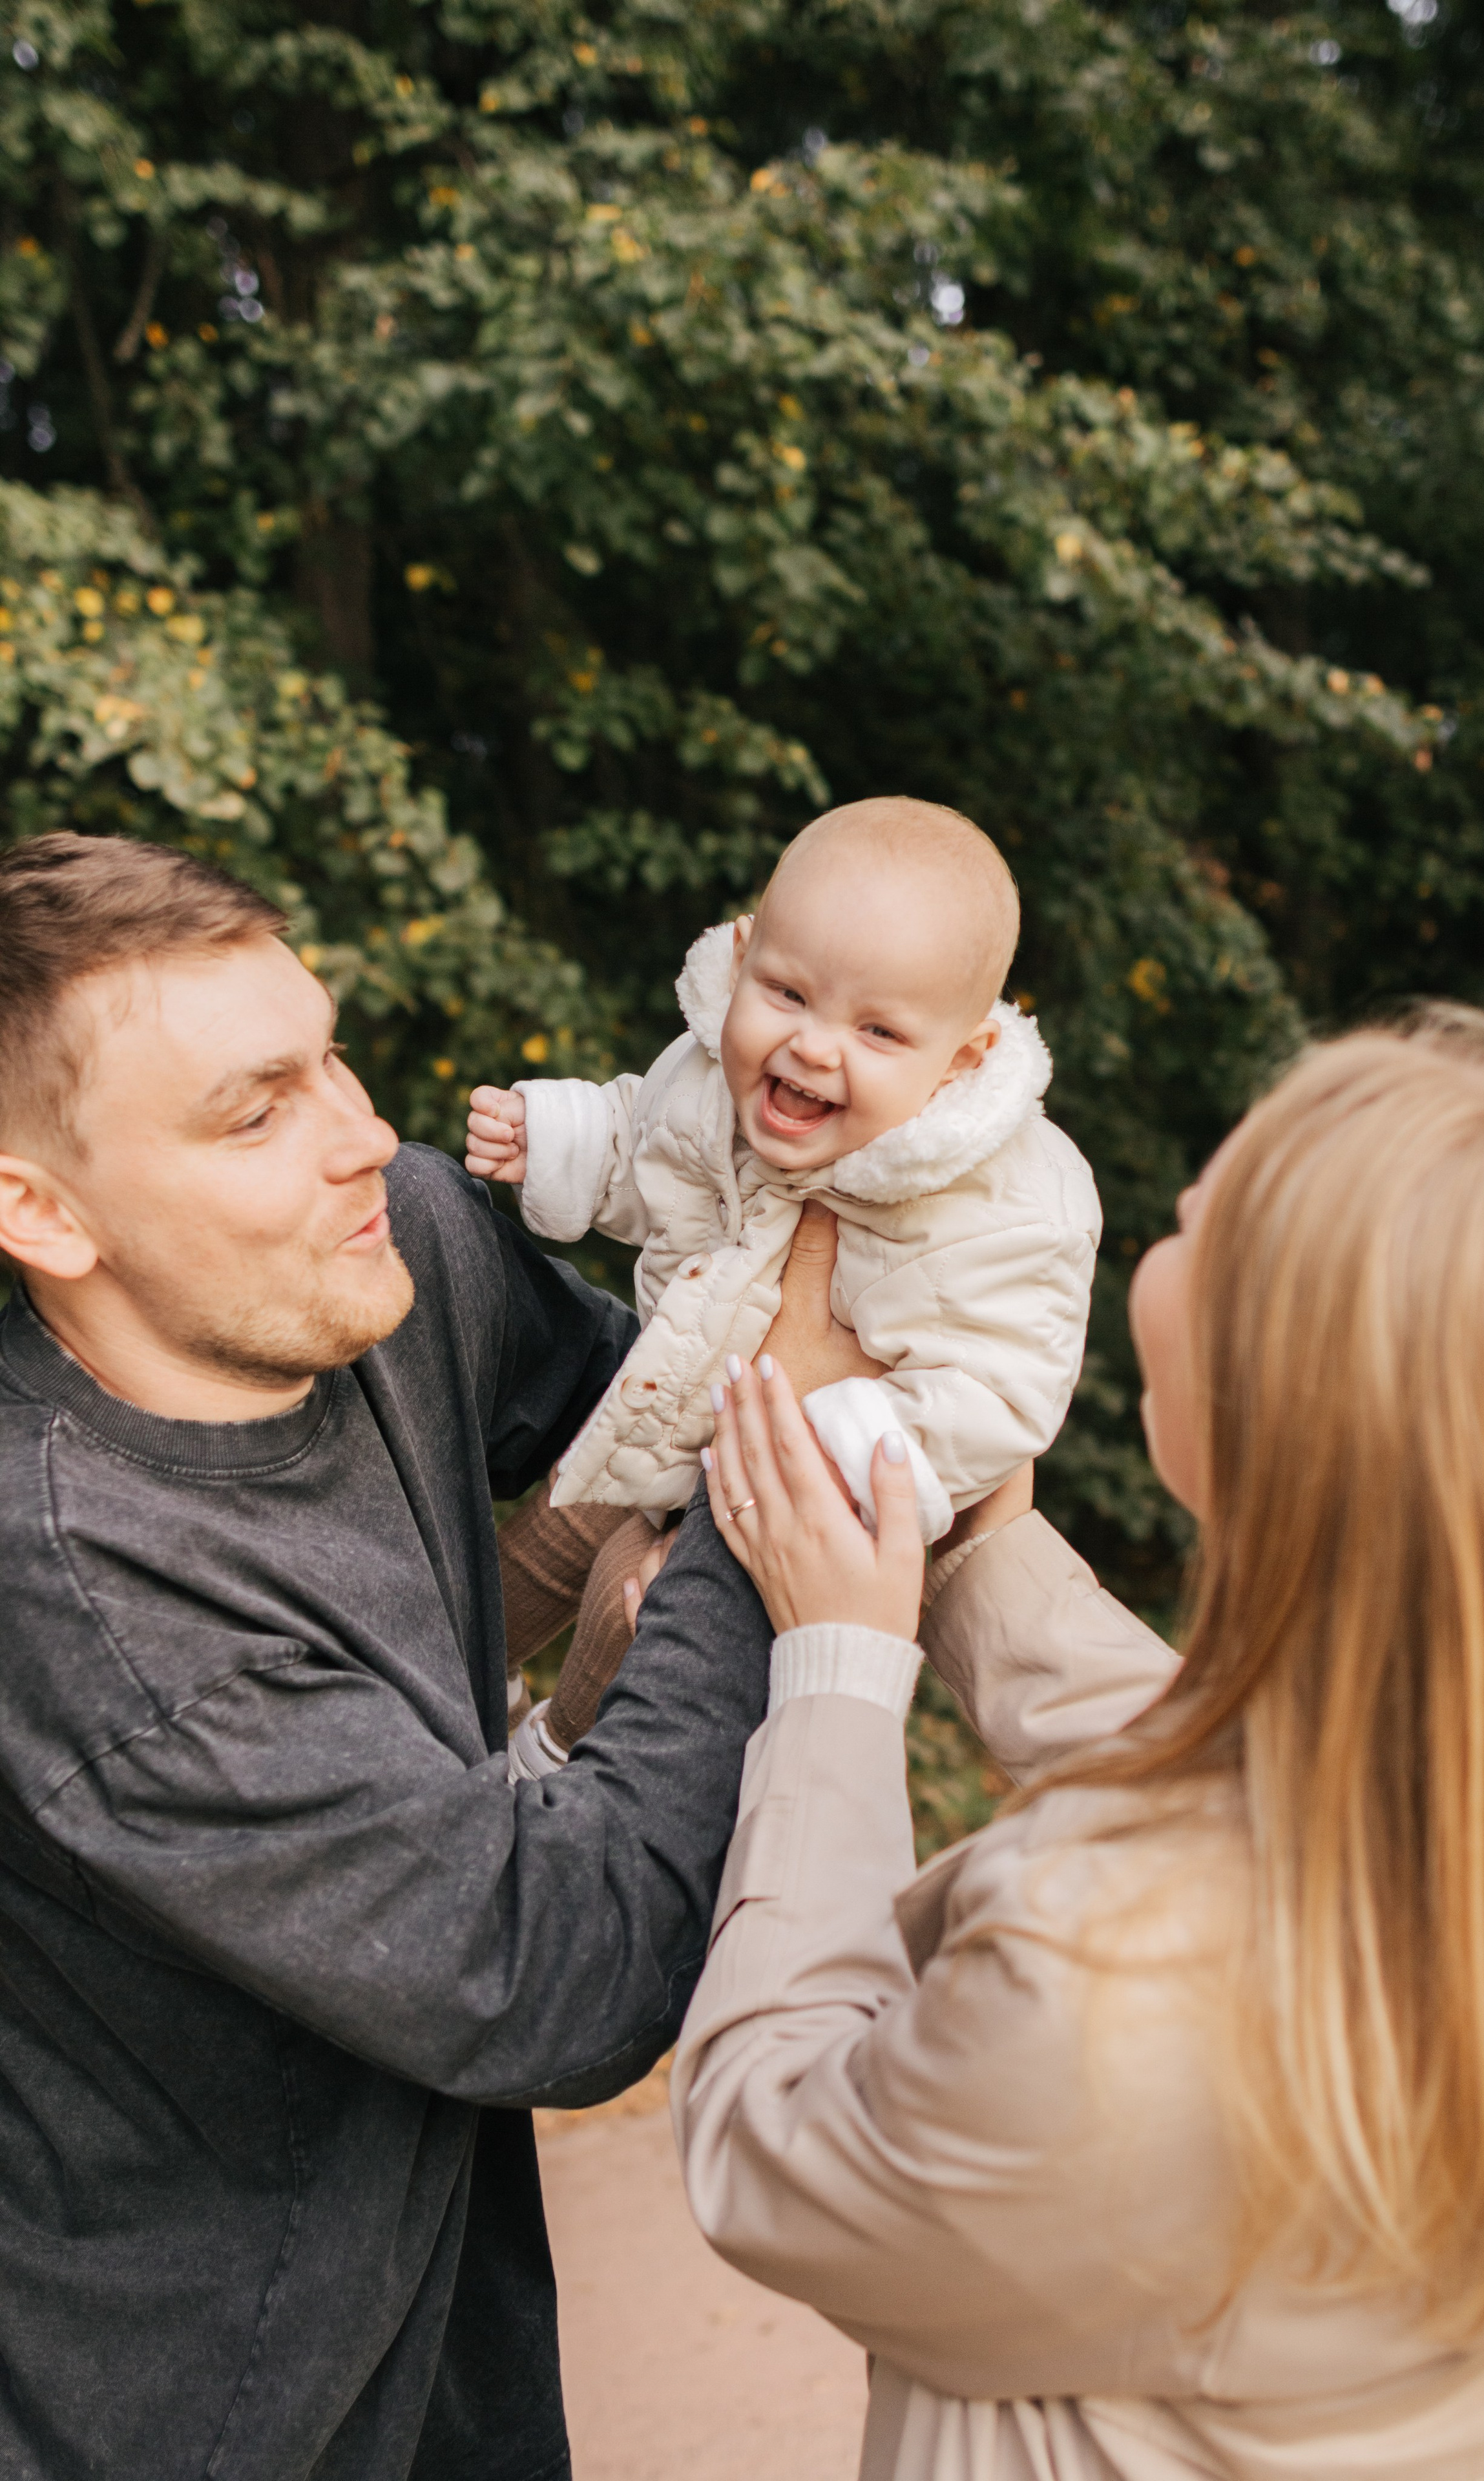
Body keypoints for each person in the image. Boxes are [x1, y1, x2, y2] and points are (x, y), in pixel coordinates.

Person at [673, 1006, 1484, 2480]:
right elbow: (1272, 1789)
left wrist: (835, 1665)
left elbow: (773, 2156)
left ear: (1288, 1416)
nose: (1157, 1235)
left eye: (1198, 1226)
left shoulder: (1106, 1988)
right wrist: (970, 1549)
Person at [0, 830, 866, 2481]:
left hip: (458, 2359)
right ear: (39, 1212)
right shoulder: (90, 1615)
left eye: (328, 1056)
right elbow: (565, 1966)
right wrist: (794, 1460)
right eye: (255, 1112)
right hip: (193, 2411)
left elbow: (644, 1410)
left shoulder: (388, 1246)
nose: (362, 1135)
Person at [465, 796, 1102, 1763]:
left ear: (961, 1058)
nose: (813, 1044)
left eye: (880, 1033)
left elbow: (1001, 1384)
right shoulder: (716, 1072)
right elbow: (652, 1141)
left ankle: (552, 1763)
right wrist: (560, 1136)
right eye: (789, 993)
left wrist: (842, 1459)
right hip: (677, 1403)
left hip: (790, 1487)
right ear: (745, 953)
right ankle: (450, 1683)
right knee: (552, 1527)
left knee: (633, 1601)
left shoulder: (1003, 1198)